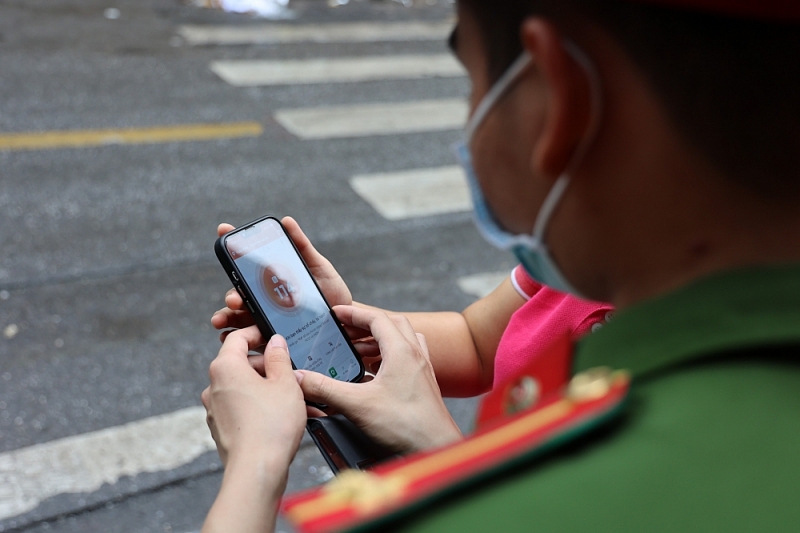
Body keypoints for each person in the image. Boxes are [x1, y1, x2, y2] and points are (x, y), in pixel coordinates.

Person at [201, 0, 800, 531]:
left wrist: (256, 464)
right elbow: (479, 341)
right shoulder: (578, 275)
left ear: (560, 96)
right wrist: (335, 324)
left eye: (474, 81)